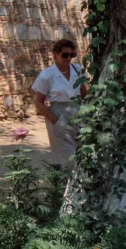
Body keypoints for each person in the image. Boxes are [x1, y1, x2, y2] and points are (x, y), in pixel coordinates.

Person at [31, 39, 88, 169]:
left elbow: (84, 92)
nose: (68, 58)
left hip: (78, 111)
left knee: (82, 152)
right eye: (65, 54)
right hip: (58, 113)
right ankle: (64, 186)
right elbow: (39, 102)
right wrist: (55, 120)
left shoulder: (77, 70)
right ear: (55, 54)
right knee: (66, 157)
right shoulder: (47, 75)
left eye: (71, 55)